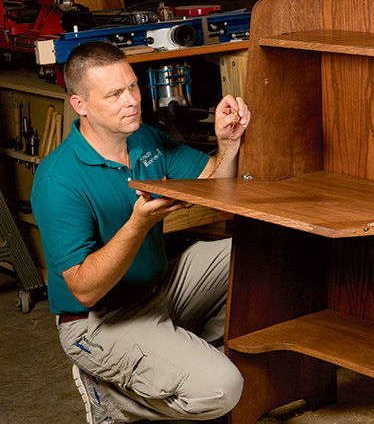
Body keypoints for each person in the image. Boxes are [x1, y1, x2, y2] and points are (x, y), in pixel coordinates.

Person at [31, 40, 250, 423]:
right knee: (221, 389)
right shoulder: (58, 179)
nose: (131, 100)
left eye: (132, 86)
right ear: (80, 105)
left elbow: (216, 189)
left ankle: (184, 360)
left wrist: (228, 143)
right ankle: (113, 402)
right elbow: (84, 289)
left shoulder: (144, 138)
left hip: (156, 290)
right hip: (97, 322)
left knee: (255, 252)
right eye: (114, 94)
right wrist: (138, 224)